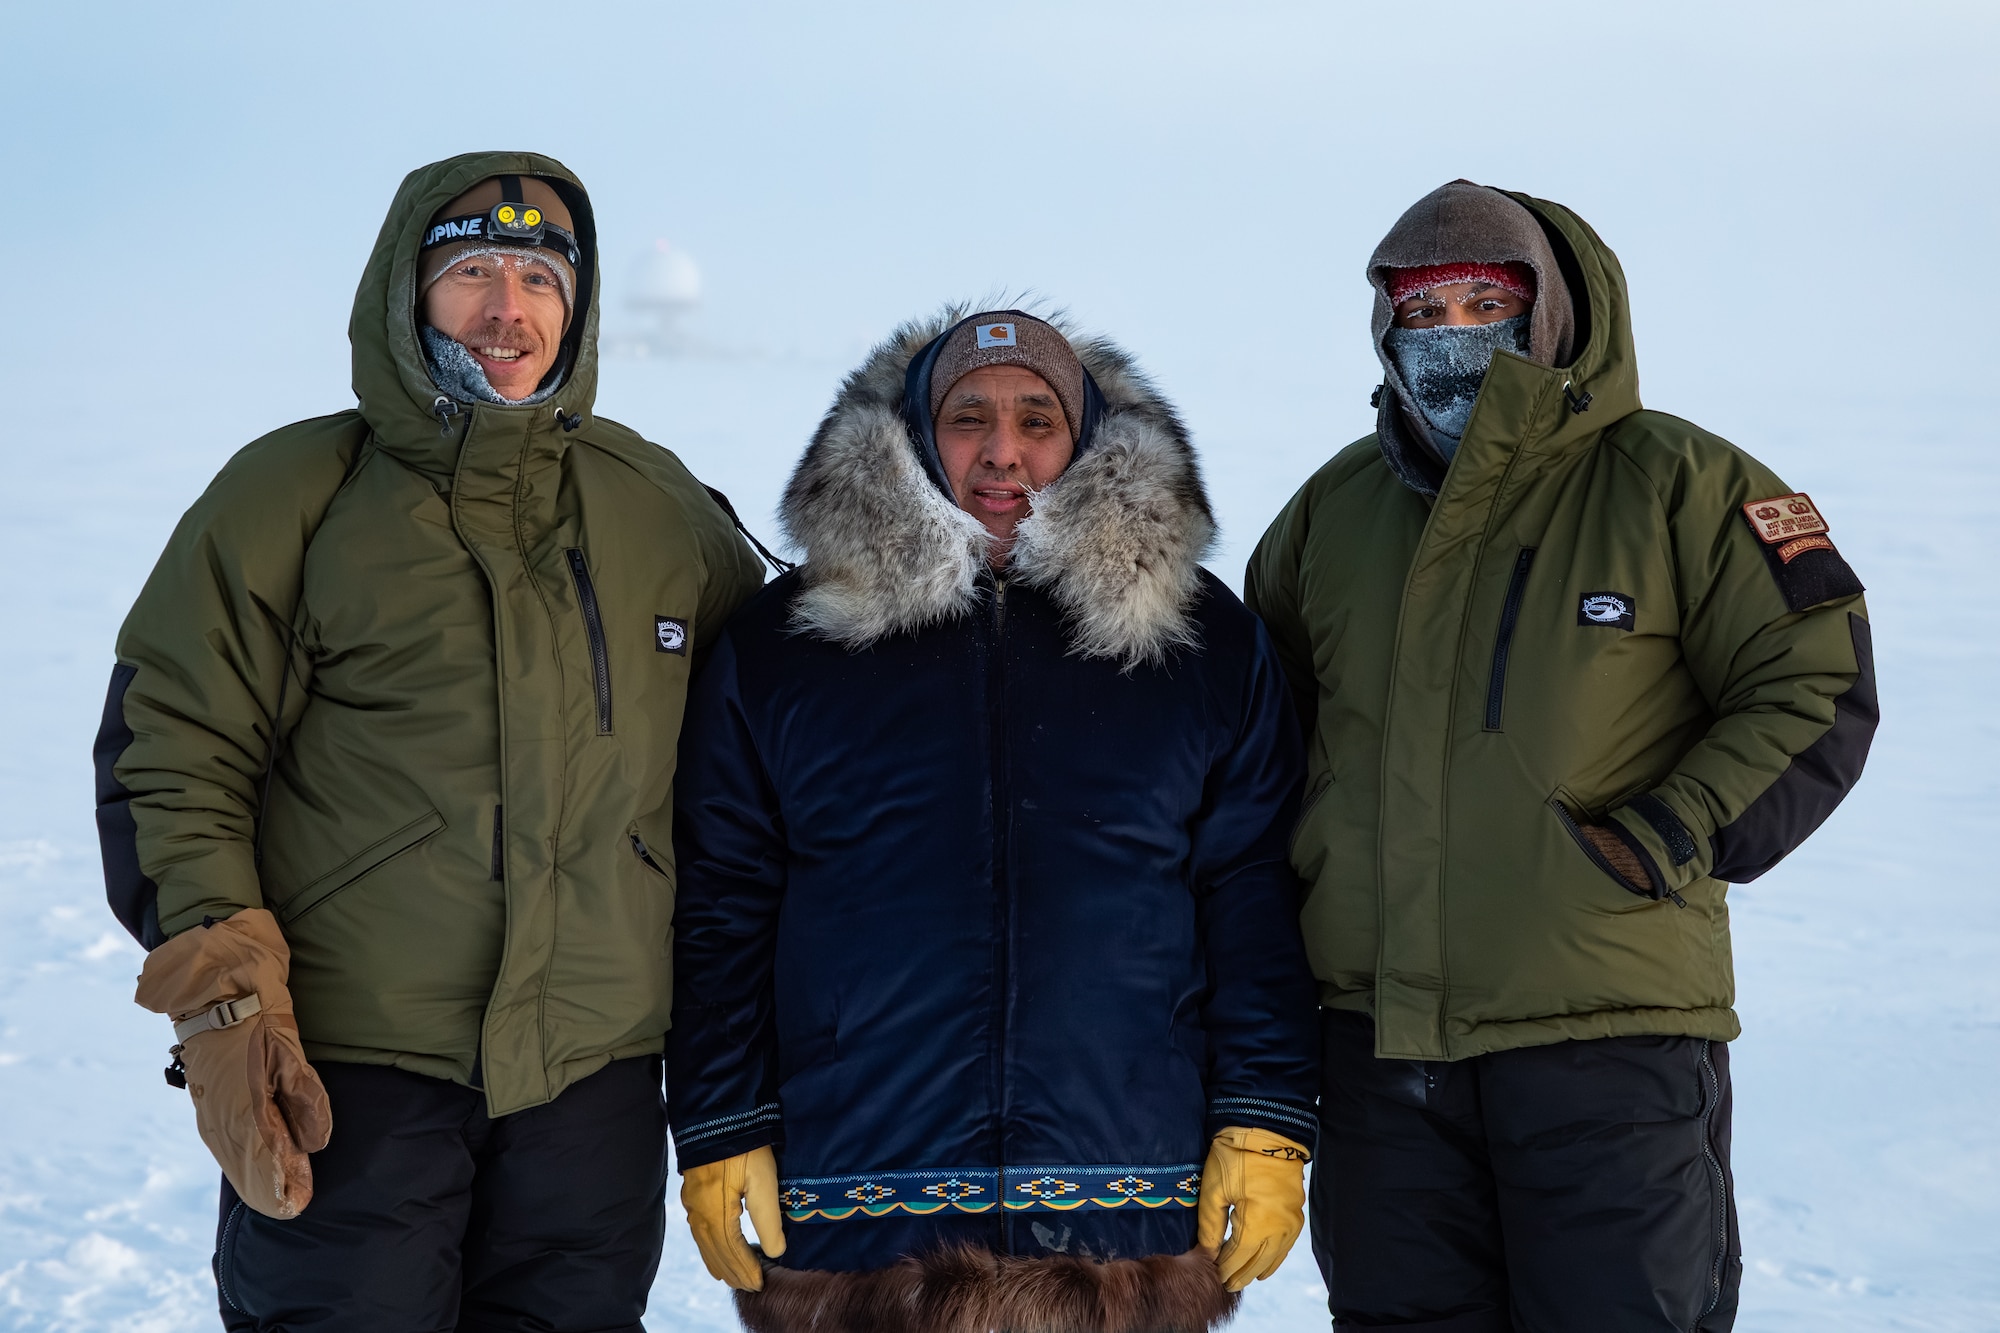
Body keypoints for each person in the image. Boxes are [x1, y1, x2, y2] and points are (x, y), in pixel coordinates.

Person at [93, 151, 768, 1332]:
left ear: (578, 305)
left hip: (593, 1083)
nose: (507, 309)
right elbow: (172, 750)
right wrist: (227, 1005)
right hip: (349, 1070)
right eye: (472, 273)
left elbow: (792, 737)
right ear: (407, 293)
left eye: (538, 279)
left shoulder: (658, 511)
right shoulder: (292, 494)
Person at [1245, 180, 1878, 1331]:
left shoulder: (1687, 484)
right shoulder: (1327, 513)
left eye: (1484, 298)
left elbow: (1814, 683)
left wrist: (1663, 836)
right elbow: (1251, 740)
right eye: (1420, 309)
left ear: (1554, 311)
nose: (1451, 333)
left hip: (1605, 1042)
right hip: (1374, 1048)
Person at [666, 309, 1321, 1333]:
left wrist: (1265, 1116)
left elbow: (1251, 898)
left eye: (1035, 418)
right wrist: (721, 1118)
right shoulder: (784, 645)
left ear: (1089, 440)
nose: (1002, 450)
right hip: (858, 1217)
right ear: (916, 438)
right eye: (968, 416)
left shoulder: (1203, 643)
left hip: (1125, 1216)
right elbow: (721, 898)